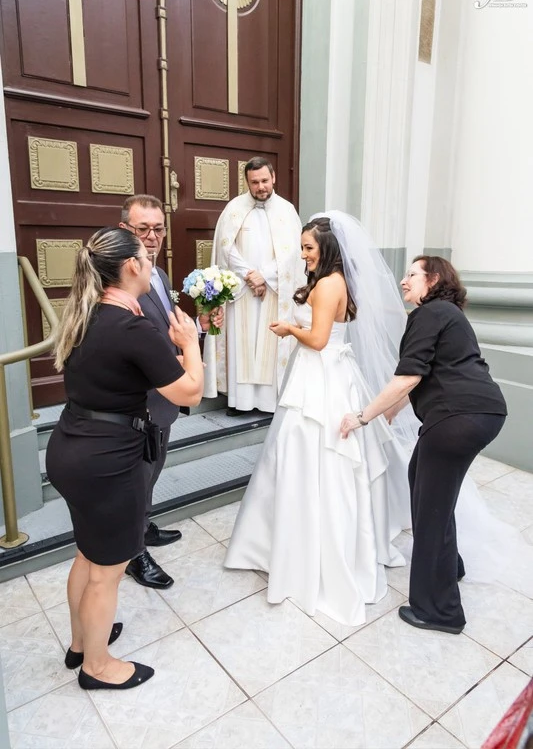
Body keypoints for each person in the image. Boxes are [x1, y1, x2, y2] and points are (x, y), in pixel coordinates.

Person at [224, 215, 412, 626]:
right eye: (303, 246)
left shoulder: (329, 284)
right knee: (304, 455)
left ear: (327, 248)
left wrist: (291, 330)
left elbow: (320, 339)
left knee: (314, 454)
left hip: (323, 377)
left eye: (309, 247)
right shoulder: (332, 280)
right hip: (326, 375)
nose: (304, 253)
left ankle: (311, 554)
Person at [46, 227, 203, 690]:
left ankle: (80, 643)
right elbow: (188, 389)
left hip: (70, 450)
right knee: (107, 571)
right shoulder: (133, 329)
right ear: (132, 266)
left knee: (87, 554)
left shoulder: (84, 313)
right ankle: (97, 666)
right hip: (108, 462)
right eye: (145, 254)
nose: (150, 259)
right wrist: (190, 343)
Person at [340, 254, 507, 634]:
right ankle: (452, 567)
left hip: (456, 417)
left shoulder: (428, 314)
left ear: (432, 280)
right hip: (483, 413)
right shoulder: (449, 314)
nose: (403, 280)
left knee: (430, 505)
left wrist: (363, 416)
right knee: (425, 484)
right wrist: (392, 412)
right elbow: (427, 372)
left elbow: (407, 376)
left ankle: (439, 611)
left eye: (412, 274)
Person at [119, 194, 223, 589]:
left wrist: (198, 324)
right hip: (139, 397)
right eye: (142, 228)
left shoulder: (158, 275)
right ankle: (133, 554)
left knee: (154, 466)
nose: (152, 236)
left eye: (158, 228)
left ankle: (142, 526)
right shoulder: (121, 279)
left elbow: (167, 330)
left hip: (164, 394)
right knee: (137, 474)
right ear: (124, 230)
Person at [203, 157, 305, 415]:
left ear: (273, 178)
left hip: (275, 290)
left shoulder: (287, 210)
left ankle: (270, 402)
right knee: (243, 344)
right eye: (254, 182)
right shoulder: (234, 208)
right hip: (241, 290)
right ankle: (240, 401)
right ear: (247, 182)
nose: (260, 187)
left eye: (264, 181)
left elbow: (294, 251)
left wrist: (266, 276)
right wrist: (250, 275)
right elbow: (227, 247)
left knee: (271, 342)